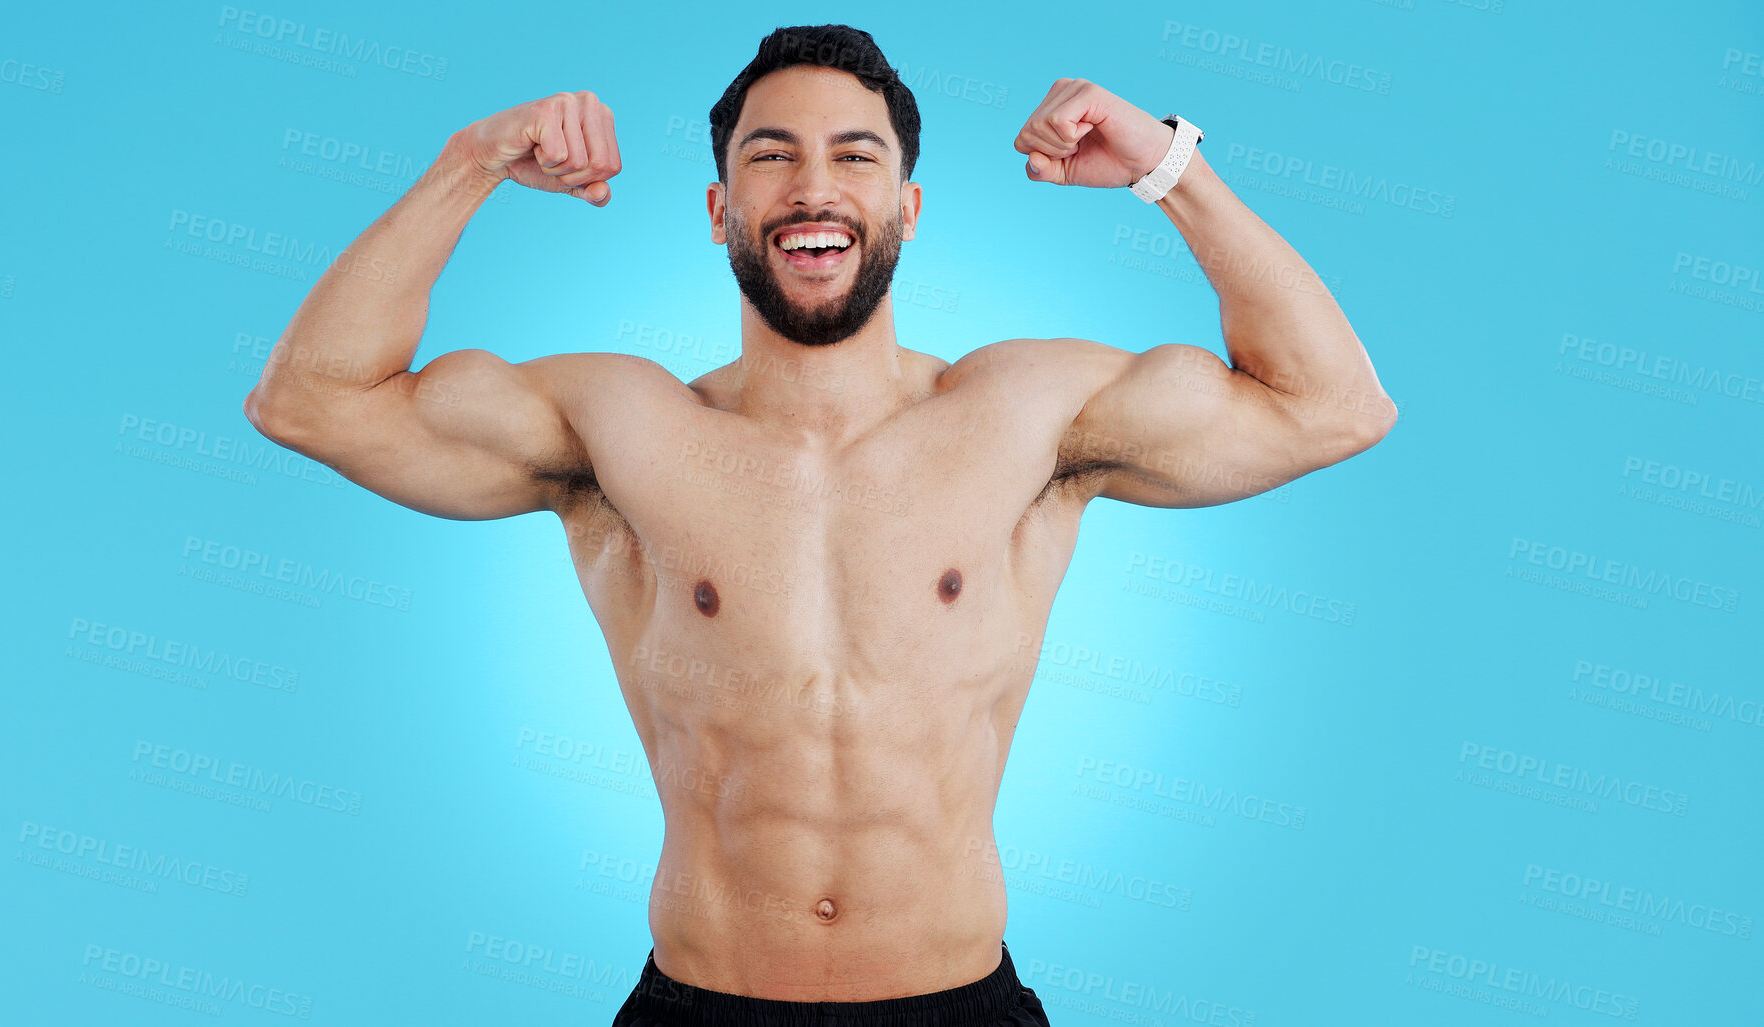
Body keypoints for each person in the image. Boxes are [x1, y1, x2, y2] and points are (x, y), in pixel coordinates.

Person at [244, 23, 1394, 1027]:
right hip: (699, 1004)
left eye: (856, 156)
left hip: (963, 1005)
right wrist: (475, 158)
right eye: (770, 156)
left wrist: (1168, 166)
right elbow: (311, 399)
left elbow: (1334, 406)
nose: (812, 186)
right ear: (720, 209)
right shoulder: (621, 426)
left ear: (908, 205)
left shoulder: (1025, 415)